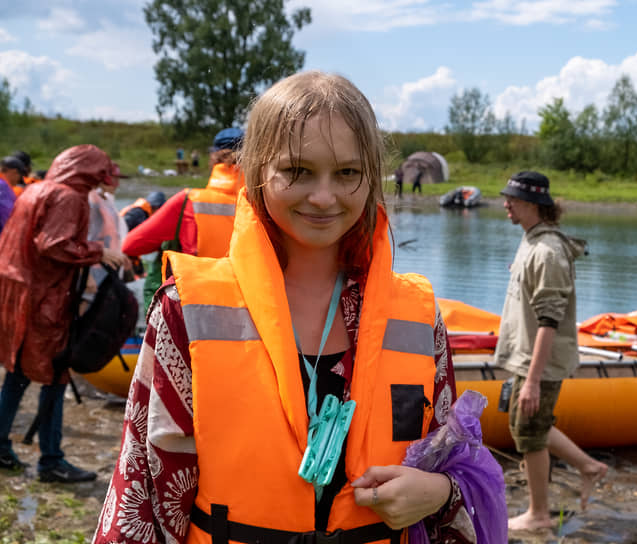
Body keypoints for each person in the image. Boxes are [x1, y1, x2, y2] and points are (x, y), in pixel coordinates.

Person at [95, 71, 504, 543]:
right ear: (257, 172)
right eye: (297, 171)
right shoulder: (185, 310)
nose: (324, 197)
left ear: (371, 177)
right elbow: (142, 493)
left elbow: (458, 465)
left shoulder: (417, 316)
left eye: (347, 173)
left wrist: (439, 490)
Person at [0, 144, 127, 482]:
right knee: (55, 377)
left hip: (17, 290)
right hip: (44, 298)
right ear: (86, 172)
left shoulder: (35, 189)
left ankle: (0, 446)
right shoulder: (69, 197)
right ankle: (51, 461)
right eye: (98, 175)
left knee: (16, 373)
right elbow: (53, 244)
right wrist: (98, 252)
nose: (100, 183)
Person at [495, 171, 608, 531]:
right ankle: (589, 467)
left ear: (533, 204)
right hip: (526, 358)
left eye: (511, 198)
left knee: (529, 430)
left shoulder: (547, 252)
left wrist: (532, 380)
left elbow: (550, 321)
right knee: (527, 426)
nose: (505, 204)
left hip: (538, 363)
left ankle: (539, 515)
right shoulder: (531, 241)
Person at [123, 127, 246, 313]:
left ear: (213, 159)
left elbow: (130, 245)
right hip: (249, 306)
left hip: (196, 309)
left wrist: (169, 240)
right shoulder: (265, 204)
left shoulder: (188, 201)